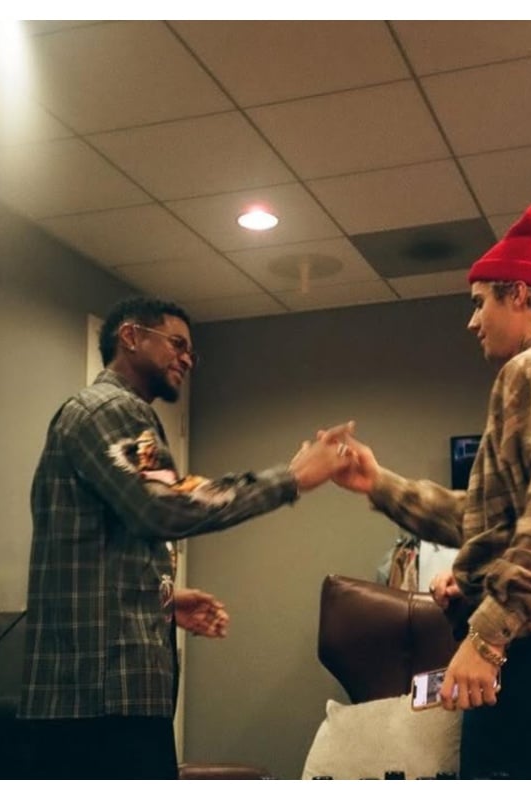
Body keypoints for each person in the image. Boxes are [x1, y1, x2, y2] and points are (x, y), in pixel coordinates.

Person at [322, 203, 531, 779]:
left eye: (480, 302)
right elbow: (494, 522)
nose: (472, 321)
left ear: (521, 295)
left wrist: (485, 639)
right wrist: (379, 484)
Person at [18, 295, 348, 780]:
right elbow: (164, 506)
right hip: (99, 705)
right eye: (177, 344)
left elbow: (105, 549)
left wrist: (165, 601)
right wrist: (291, 478)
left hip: (96, 699)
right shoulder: (112, 409)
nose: (188, 359)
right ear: (131, 336)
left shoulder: (112, 414)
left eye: (192, 351)